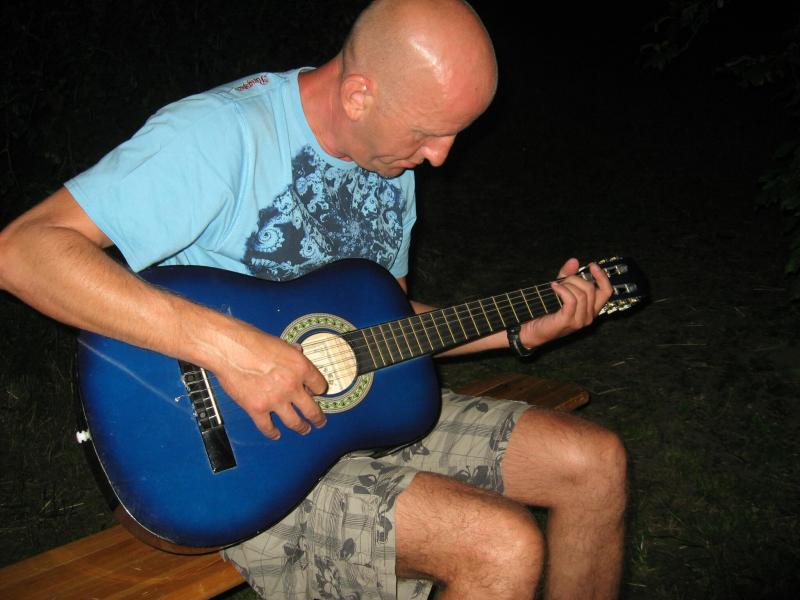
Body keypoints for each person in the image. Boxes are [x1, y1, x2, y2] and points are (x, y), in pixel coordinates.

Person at [0, 0, 627, 598]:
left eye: (452, 135)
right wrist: (235, 351)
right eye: (428, 133)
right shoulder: (218, 136)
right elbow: (23, 251)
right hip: (239, 459)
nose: (440, 157)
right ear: (359, 95)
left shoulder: (390, 160)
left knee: (595, 464)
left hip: (349, 422)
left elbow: (378, 329)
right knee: (501, 545)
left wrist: (515, 329)